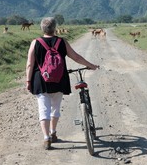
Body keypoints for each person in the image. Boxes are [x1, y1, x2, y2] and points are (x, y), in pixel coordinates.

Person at [26, 17, 99, 150]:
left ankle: (46, 139)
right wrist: (91, 65)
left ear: (42, 28)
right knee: (55, 108)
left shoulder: (35, 43)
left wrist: (28, 81)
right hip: (59, 79)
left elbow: (30, 64)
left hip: (41, 80)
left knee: (44, 110)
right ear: (55, 28)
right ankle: (53, 133)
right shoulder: (61, 41)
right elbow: (76, 57)